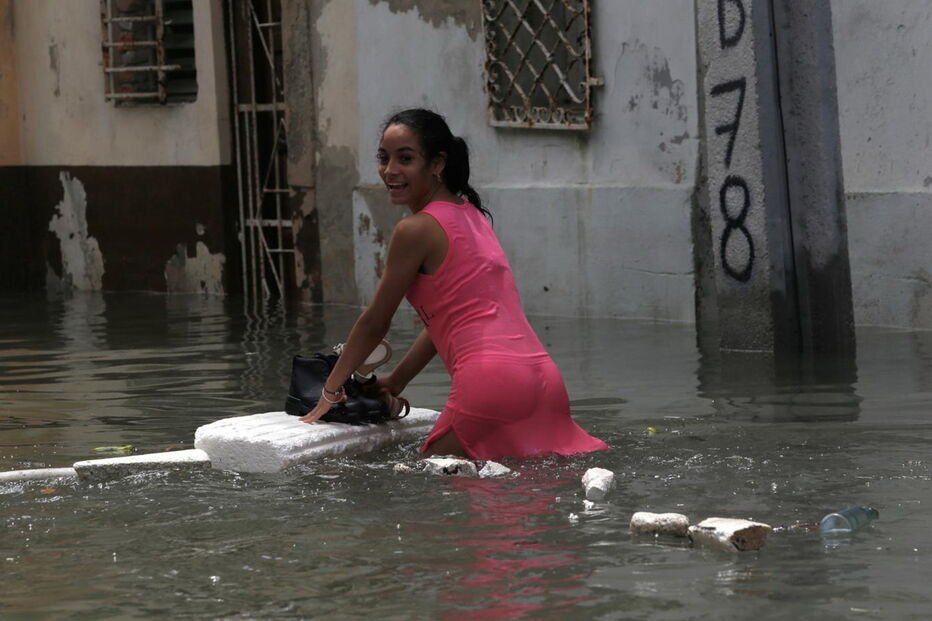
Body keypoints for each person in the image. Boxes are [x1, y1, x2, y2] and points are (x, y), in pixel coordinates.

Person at [299, 108, 607, 460]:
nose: (390, 171)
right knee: (524, 503)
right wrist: (396, 381)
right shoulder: (474, 215)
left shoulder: (414, 230)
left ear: (437, 164)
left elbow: (374, 321)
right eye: (383, 158)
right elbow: (447, 319)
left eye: (406, 159)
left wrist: (330, 392)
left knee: (430, 502)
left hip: (490, 382)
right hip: (544, 380)